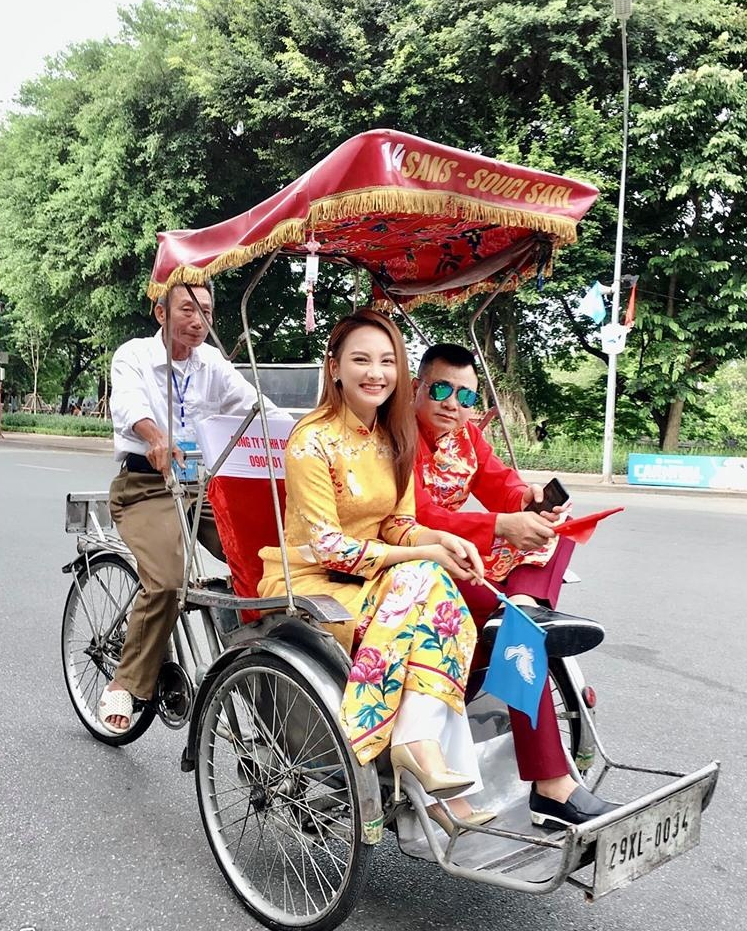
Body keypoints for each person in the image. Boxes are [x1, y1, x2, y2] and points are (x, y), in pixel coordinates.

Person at [258, 310, 492, 832]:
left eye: (387, 361)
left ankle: (420, 753)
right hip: (310, 581)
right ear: (334, 368)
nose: (376, 373)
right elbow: (331, 548)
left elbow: (399, 525)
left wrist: (441, 540)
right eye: (361, 359)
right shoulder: (310, 440)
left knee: (438, 597)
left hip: (375, 580)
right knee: (427, 586)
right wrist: (423, 557)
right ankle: (430, 773)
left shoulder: (392, 438)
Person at [412, 343, 615, 829]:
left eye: (464, 396)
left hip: (467, 553)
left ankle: (522, 603)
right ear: (417, 388)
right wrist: (501, 525)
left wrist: (529, 500)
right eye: (440, 389)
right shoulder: (397, 438)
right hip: (424, 557)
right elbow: (415, 516)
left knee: (558, 532)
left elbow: (501, 483)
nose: (452, 404)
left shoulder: (467, 438)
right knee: (522, 637)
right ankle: (551, 786)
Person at [99, 280, 284, 732]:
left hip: (200, 488)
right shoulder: (134, 356)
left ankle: (265, 659)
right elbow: (128, 403)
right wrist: (154, 435)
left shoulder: (212, 363)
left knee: (267, 557)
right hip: (146, 486)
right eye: (187, 310)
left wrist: (297, 437)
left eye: (205, 310)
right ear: (161, 314)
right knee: (167, 581)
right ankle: (124, 682)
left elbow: (253, 404)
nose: (198, 321)